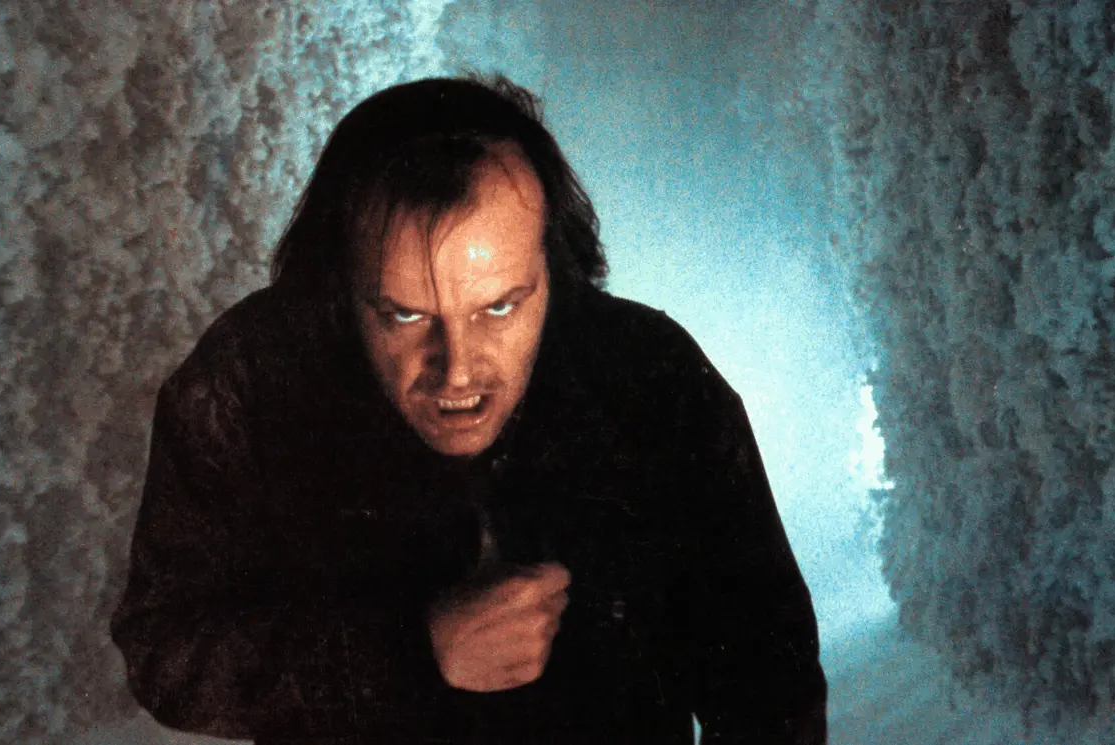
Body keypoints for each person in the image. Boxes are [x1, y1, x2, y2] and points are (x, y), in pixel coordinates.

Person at [110, 74, 827, 745]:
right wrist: (407, 650)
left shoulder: (654, 380)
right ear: (339, 288)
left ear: (555, 269)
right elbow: (162, 647)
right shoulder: (249, 377)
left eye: (500, 307)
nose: (457, 369)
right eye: (403, 315)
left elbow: (772, 690)